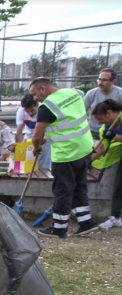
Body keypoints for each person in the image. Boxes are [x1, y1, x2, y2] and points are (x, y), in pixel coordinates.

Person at [29, 77, 99, 238]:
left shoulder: (47, 107)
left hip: (66, 154)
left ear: (43, 89)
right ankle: (86, 221)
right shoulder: (75, 93)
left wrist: (37, 147)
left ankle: (60, 227)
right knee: (79, 186)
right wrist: (49, 137)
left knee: (63, 190)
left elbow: (36, 136)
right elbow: (68, 121)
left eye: (34, 94)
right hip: (85, 147)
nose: (34, 98)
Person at [91, 99, 122, 230]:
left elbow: (115, 138)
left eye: (100, 119)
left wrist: (116, 137)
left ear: (109, 113)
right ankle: (115, 218)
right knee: (118, 187)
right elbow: (102, 148)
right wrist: (87, 161)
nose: (99, 123)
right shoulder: (106, 128)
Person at [83, 68, 122, 140]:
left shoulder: (120, 93)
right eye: (99, 79)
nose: (100, 82)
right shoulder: (91, 93)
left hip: (113, 132)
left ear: (113, 81)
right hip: (93, 131)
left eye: (104, 80)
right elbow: (82, 111)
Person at [15, 94, 51, 169]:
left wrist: (44, 138)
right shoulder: (20, 111)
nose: (30, 113)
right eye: (27, 111)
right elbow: (19, 130)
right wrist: (19, 146)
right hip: (29, 138)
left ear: (37, 105)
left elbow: (49, 128)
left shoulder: (44, 110)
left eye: (32, 110)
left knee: (43, 166)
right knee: (28, 166)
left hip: (43, 139)